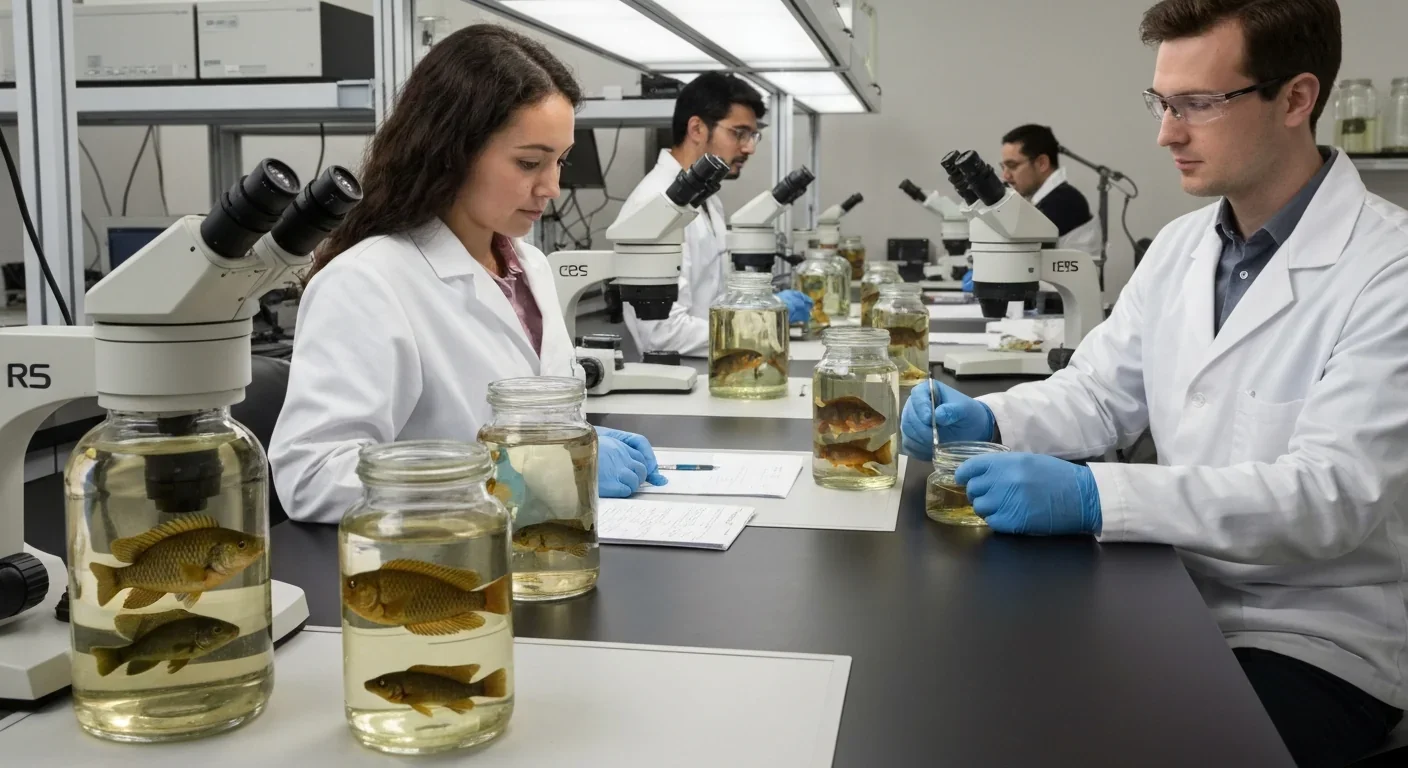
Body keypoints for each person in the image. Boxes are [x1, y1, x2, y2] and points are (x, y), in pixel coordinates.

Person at [902, 1, 1408, 765]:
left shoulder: (1388, 269)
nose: (1166, 134)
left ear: (1296, 99)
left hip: (1312, 639)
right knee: (972, 701)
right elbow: (1098, 394)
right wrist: (990, 419)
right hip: (1167, 590)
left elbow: (1328, 496)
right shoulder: (1180, 247)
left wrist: (1094, 495)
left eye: (1197, 104)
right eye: (1163, 103)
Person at [269, 25, 667, 524]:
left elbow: (532, 428)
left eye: (560, 161)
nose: (552, 187)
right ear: (451, 152)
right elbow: (313, 476)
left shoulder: (531, 267)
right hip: (435, 561)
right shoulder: (366, 282)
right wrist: (514, 473)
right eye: (529, 162)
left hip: (538, 544)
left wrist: (575, 442)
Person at [614, 72, 812, 357]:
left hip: (715, 363)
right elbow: (660, 334)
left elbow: (716, 299)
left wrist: (759, 309)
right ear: (697, 128)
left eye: (753, 136)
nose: (749, 148)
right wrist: (756, 324)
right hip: (682, 372)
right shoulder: (652, 204)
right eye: (739, 133)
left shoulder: (709, 199)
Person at [999, 124, 1103, 258]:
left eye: (1012, 166)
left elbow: (1015, 251)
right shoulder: (1052, 199)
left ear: (1042, 163)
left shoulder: (1064, 203)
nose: (1005, 176)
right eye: (1003, 167)